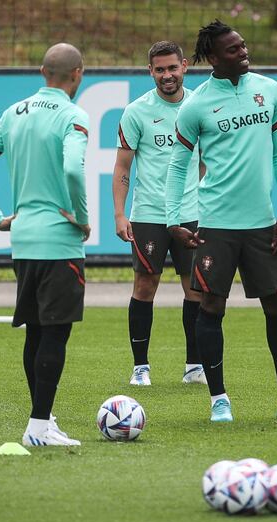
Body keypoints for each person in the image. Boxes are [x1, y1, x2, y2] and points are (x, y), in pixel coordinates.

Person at [166, 20, 277, 423]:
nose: (244, 52)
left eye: (243, 46)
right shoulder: (196, 104)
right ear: (215, 57)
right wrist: (173, 220)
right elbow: (177, 164)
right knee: (211, 307)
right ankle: (219, 400)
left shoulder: (269, 91)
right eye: (234, 49)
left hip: (262, 223)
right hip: (217, 225)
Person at [0, 43, 89, 447]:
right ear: (78, 74)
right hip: (58, 240)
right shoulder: (73, 115)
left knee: (35, 332)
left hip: (23, 240)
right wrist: (81, 217)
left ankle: (44, 418)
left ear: (42, 71)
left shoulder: (14, 113)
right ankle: (38, 428)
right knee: (55, 334)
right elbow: (73, 167)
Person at [112, 40, 205, 387]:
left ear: (184, 65)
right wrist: (120, 215)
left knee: (195, 289)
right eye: (160, 69)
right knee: (145, 286)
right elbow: (123, 166)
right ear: (150, 71)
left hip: (192, 214)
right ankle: (140, 367)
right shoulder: (136, 112)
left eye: (172, 67)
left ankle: (194, 365)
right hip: (149, 214)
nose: (167, 75)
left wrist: (203, 199)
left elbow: (209, 159)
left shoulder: (200, 106)